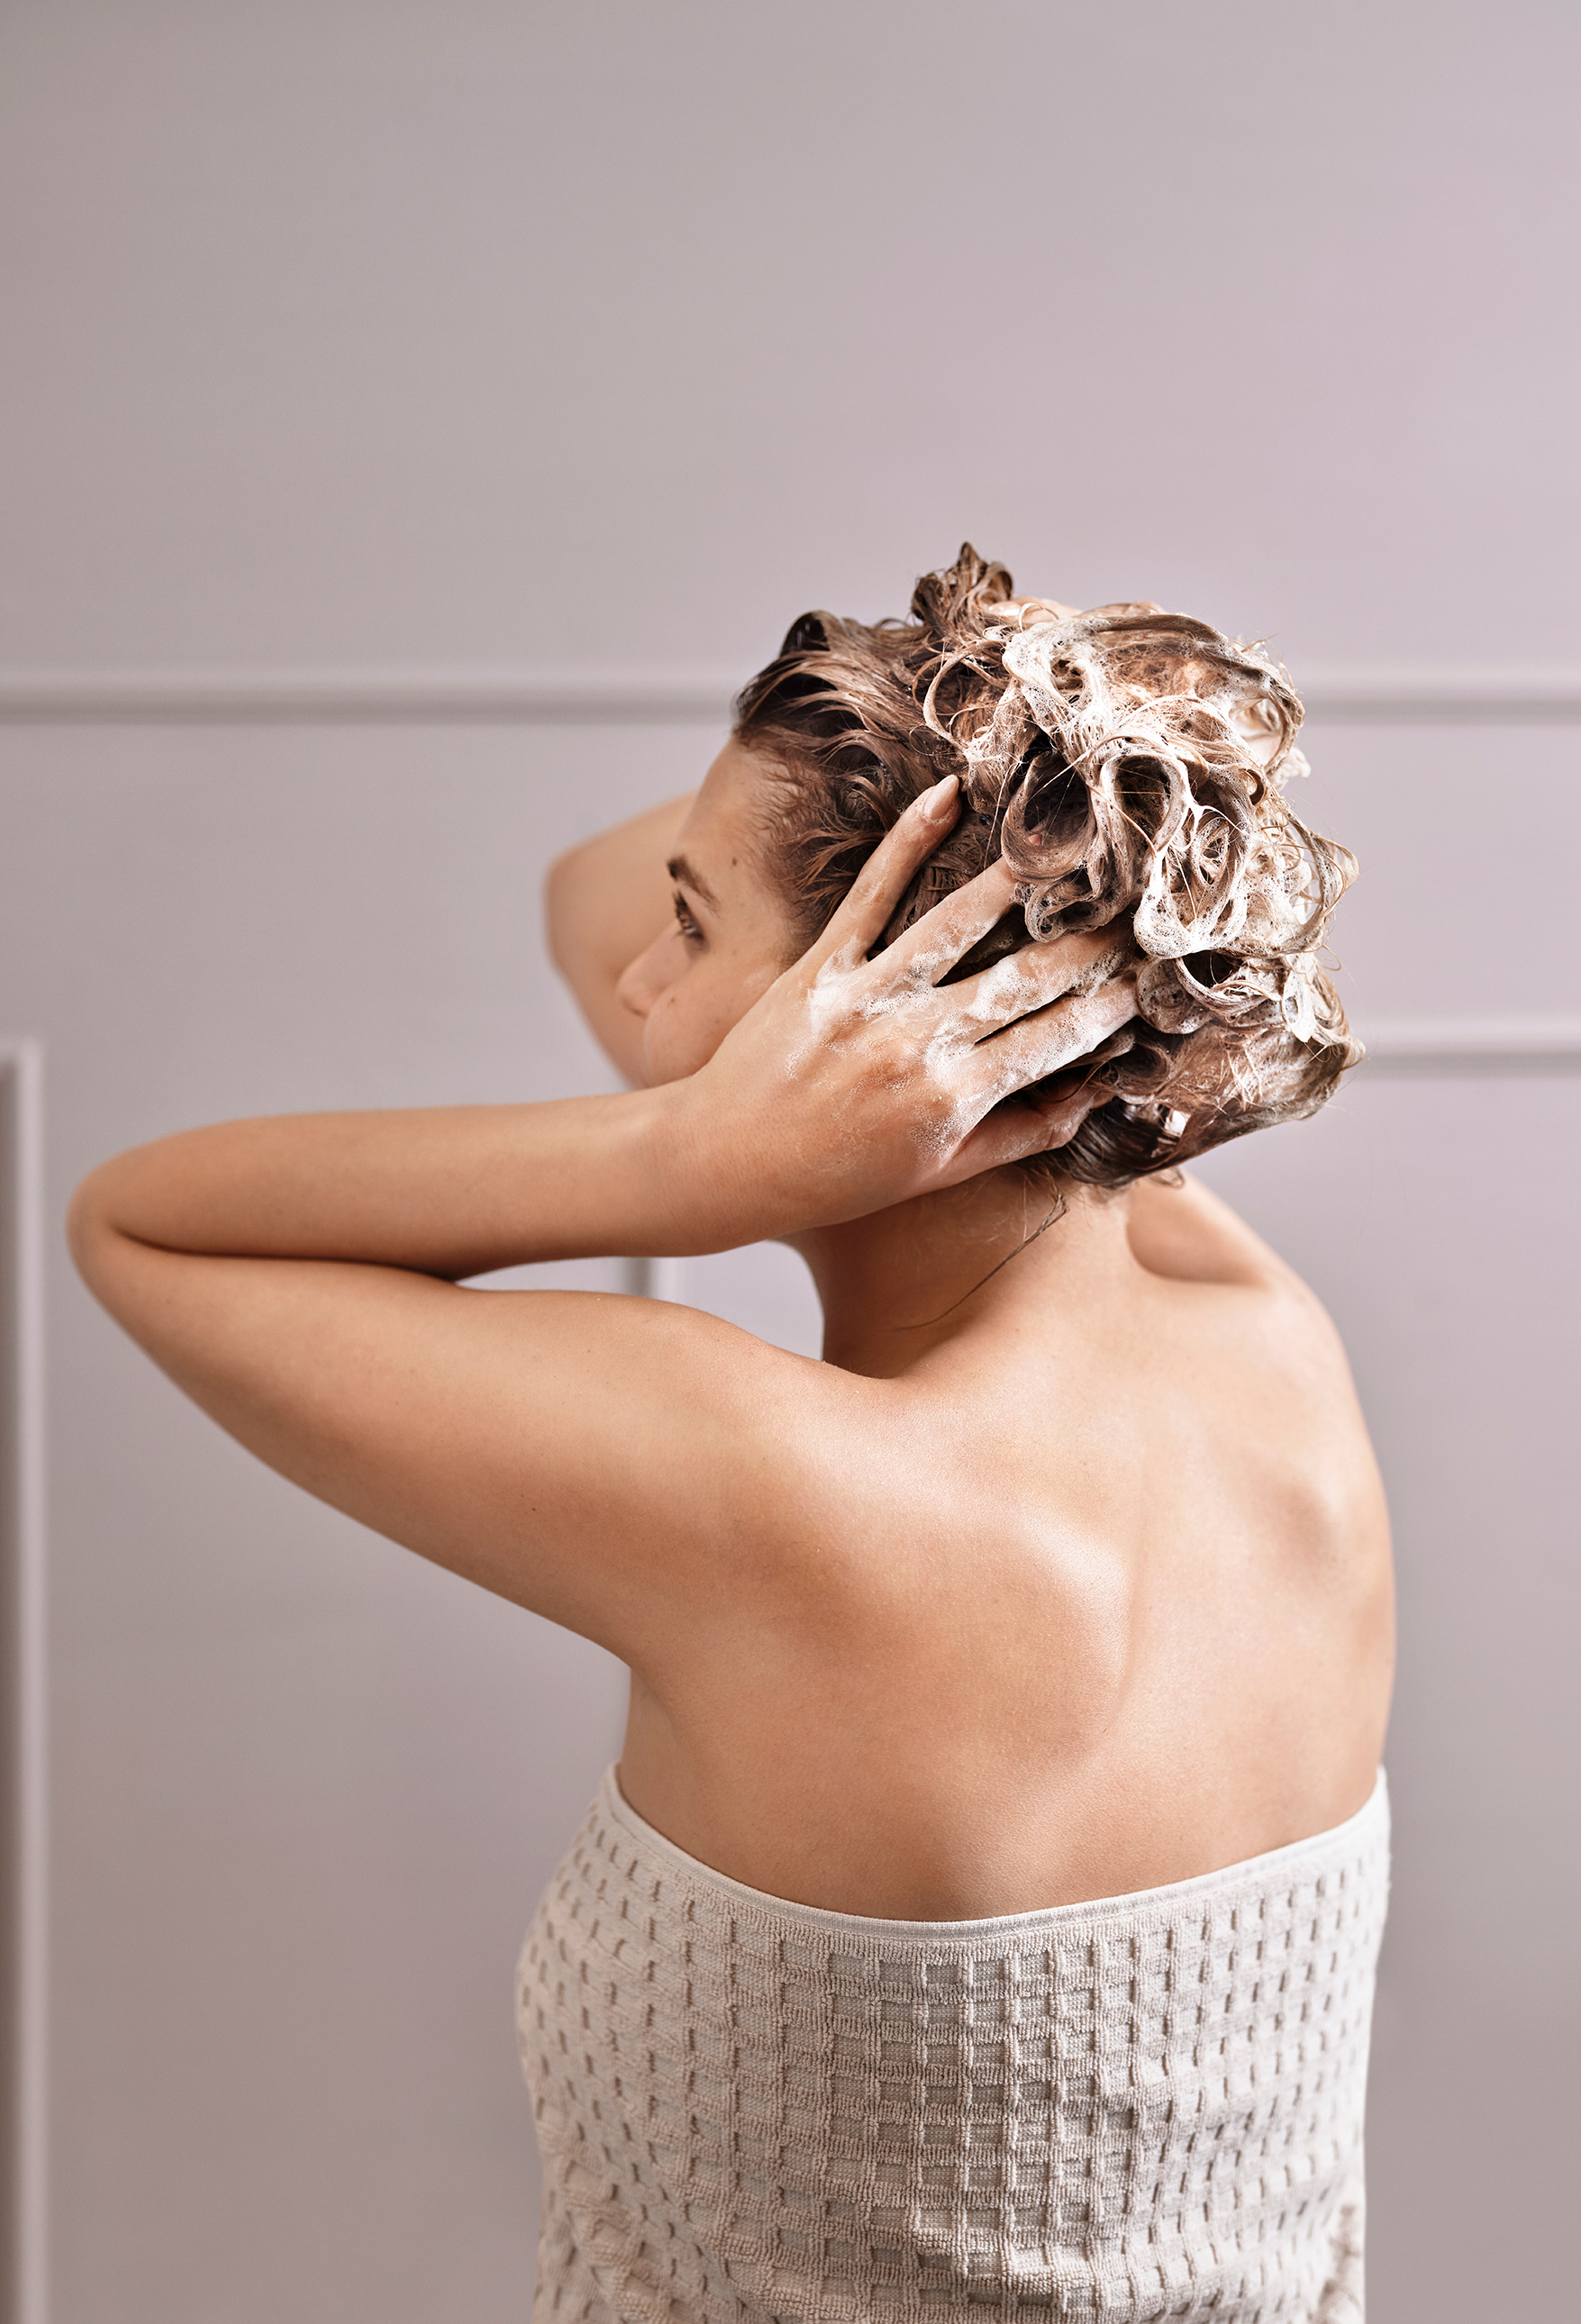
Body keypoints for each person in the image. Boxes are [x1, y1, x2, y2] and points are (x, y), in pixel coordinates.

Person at [69, 549, 1395, 2321]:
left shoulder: (776, 1489)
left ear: (879, 1012)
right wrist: (1000, 785)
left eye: (690, 928)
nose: (633, 978)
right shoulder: (1265, 1351)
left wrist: (681, 1165)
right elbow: (594, 898)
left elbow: (139, 1223)